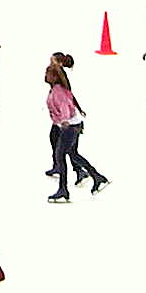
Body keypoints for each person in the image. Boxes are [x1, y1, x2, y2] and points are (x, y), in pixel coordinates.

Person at [44, 52, 107, 200]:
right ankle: (96, 176)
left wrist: (64, 120)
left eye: (47, 74)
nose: (45, 76)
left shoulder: (58, 90)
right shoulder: (59, 87)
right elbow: (70, 98)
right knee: (72, 154)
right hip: (71, 125)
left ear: (54, 77)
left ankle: (63, 189)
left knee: (61, 156)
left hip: (70, 126)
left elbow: (65, 105)